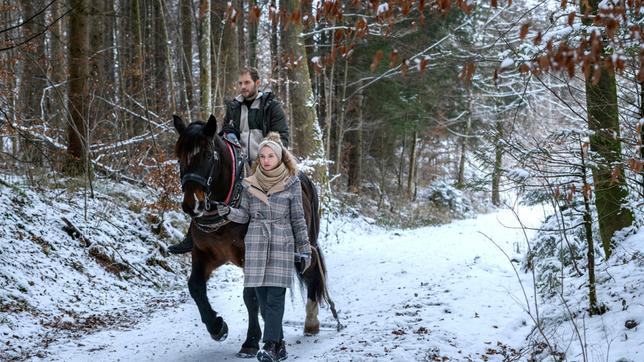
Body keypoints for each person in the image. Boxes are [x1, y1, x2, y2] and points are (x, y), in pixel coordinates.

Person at [169, 67, 289, 254]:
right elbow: (228, 128)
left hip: (264, 160)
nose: (243, 87)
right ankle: (193, 234)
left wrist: (268, 156)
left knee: (270, 196)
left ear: (257, 83)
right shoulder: (234, 106)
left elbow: (281, 136)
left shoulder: (271, 106)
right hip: (239, 158)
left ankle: (280, 240)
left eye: (247, 82)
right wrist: (230, 135)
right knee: (207, 178)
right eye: (240, 83)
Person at [216, 134, 312, 362]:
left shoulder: (292, 183)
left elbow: (298, 219)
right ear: (258, 159)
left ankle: (268, 345)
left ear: (279, 158)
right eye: (262, 156)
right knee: (261, 300)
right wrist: (229, 212)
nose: (266, 160)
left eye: (271, 156)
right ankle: (279, 345)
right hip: (257, 243)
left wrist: (305, 248)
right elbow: (245, 215)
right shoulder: (250, 184)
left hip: (281, 241)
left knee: (275, 297)